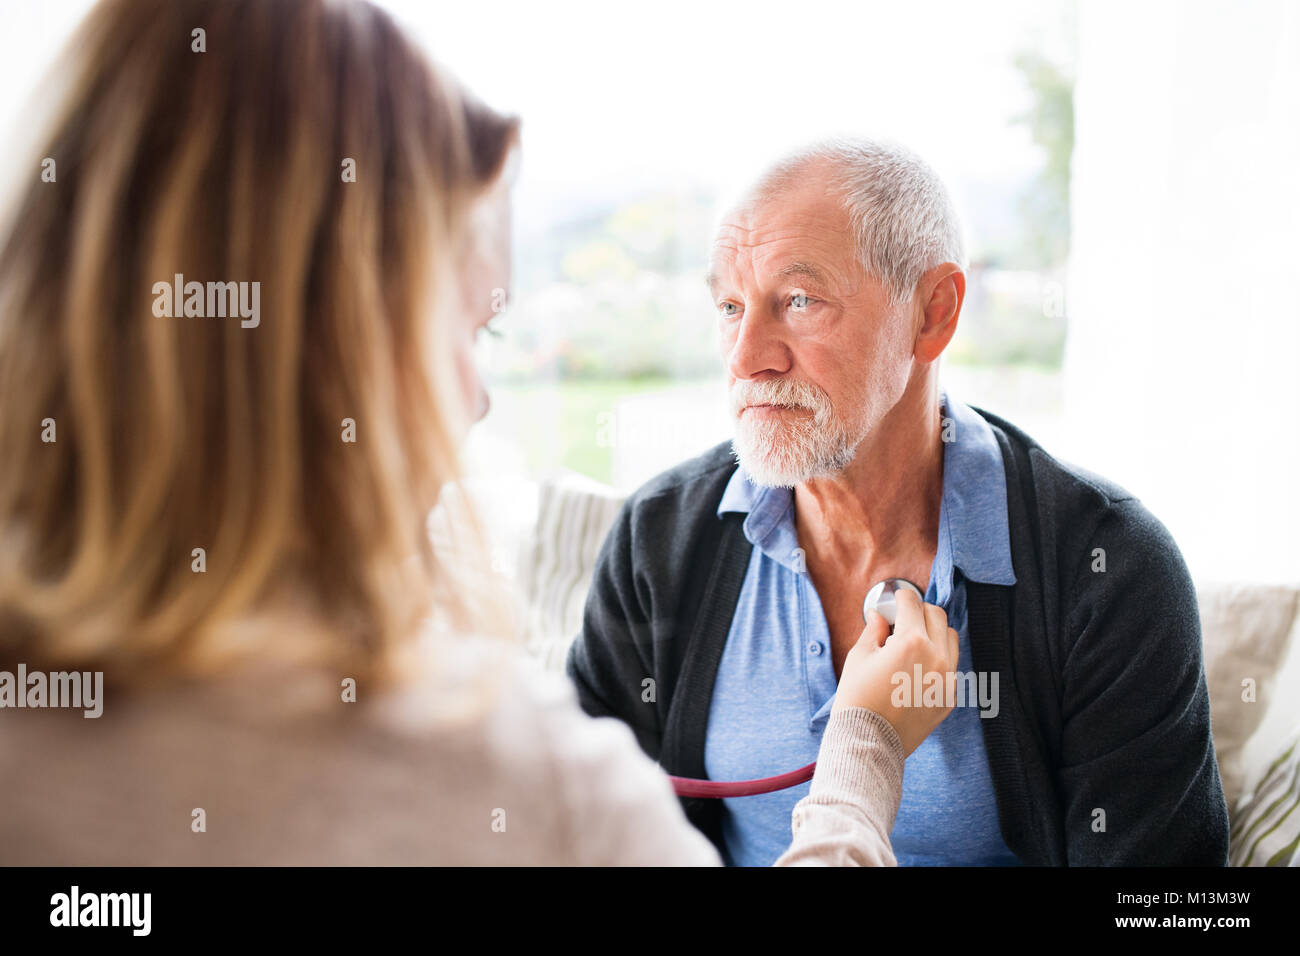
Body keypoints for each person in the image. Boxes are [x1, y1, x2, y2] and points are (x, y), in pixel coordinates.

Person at [0, 0, 956, 866]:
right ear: (349, 352)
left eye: (797, 301)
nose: (473, 400)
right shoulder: (518, 779)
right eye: (469, 329)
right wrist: (863, 753)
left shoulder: (1089, 554)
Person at [566, 138, 1232, 866]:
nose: (745, 356)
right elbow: (574, 834)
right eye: (730, 305)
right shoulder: (657, 541)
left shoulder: (1110, 570)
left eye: (798, 300)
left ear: (933, 313)